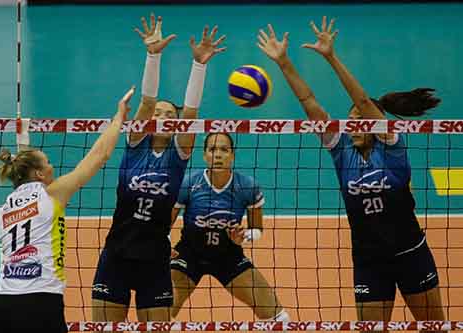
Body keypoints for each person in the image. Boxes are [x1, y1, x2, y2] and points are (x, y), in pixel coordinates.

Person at [258, 18, 445, 328]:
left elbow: (360, 100)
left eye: (361, 119)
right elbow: (310, 103)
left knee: (436, 328)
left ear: (376, 123)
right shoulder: (341, 150)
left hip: (411, 253)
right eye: (350, 120)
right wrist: (284, 63)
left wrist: (331, 57)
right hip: (369, 261)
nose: (354, 123)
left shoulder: (392, 145)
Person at [91, 13, 226, 327]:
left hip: (155, 260)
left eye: (170, 114)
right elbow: (147, 101)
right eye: (158, 113)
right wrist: (153, 56)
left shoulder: (179, 155)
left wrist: (200, 65)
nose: (162, 117)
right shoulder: (136, 143)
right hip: (116, 256)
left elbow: (190, 112)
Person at [0, 86, 136, 333]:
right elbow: (100, 155)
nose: (52, 166)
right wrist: (118, 118)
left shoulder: (4, 210)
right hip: (40, 303)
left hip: (3, 304)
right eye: (47, 163)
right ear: (38, 173)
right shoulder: (51, 193)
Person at [170, 132, 291, 322]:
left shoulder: (247, 187)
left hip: (228, 255)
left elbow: (257, 229)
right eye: (212, 149)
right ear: (204, 155)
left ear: (232, 155)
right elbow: (163, 226)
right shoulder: (188, 184)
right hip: (189, 254)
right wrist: (164, 243)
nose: (218, 155)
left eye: (224, 150)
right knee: (161, 310)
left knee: (279, 317)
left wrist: (244, 236)